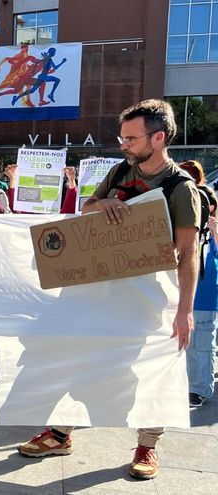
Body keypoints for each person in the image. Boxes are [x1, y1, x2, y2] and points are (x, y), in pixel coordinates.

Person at [17, 99, 202, 480]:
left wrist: (185, 311)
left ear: (158, 138)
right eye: (123, 137)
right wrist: (102, 205)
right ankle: (60, 433)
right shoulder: (120, 171)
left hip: (149, 299)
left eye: (131, 138)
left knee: (150, 368)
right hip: (99, 292)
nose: (123, 145)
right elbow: (85, 208)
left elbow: (188, 254)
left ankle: (147, 445)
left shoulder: (181, 189)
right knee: (79, 356)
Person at [187, 184, 218, 407]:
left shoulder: (213, 230)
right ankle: (187, 384)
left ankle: (199, 388)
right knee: (186, 345)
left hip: (204, 298)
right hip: (183, 296)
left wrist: (215, 230)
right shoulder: (189, 227)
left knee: (202, 344)